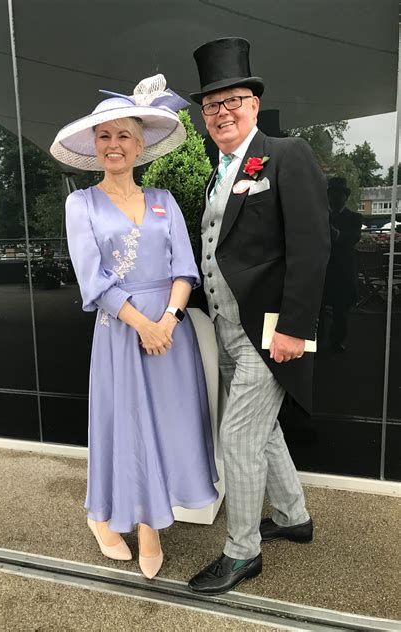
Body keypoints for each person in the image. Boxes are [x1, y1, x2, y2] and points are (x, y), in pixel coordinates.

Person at [50, 74, 218, 580]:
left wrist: (167, 321)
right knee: (125, 428)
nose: (114, 144)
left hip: (171, 332)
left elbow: (185, 270)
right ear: (94, 146)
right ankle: (116, 519)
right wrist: (143, 324)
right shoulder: (80, 204)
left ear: (140, 144)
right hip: (121, 331)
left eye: (123, 135)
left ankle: (141, 522)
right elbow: (93, 279)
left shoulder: (165, 200)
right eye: (104, 136)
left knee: (167, 427)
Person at [187, 37, 331, 595]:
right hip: (227, 328)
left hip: (268, 332)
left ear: (253, 102)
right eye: (211, 106)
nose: (222, 113)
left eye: (232, 101)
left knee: (238, 440)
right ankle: (294, 517)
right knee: (262, 429)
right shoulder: (217, 170)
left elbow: (313, 246)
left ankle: (242, 553)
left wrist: (296, 327)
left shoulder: (285, 154)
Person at [322, 177, 362, 352]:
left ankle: (336, 342)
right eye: (333, 194)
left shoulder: (355, 218)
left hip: (344, 271)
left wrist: (335, 234)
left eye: (340, 194)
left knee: (341, 311)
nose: (336, 198)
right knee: (318, 310)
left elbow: (352, 238)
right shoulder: (320, 216)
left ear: (345, 197)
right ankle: (316, 342)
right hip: (323, 270)